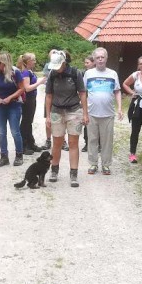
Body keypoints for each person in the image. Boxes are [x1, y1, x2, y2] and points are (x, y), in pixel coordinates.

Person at [45, 50, 88, 187]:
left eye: (58, 66)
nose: (56, 69)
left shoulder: (75, 73)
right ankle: (54, 171)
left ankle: (73, 174)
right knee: (57, 142)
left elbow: (82, 93)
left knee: (73, 143)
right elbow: (49, 96)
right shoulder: (52, 74)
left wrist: (85, 114)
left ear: (64, 63)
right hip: (56, 111)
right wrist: (47, 116)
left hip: (74, 111)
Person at [83, 47, 122, 175]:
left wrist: (120, 108)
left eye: (102, 57)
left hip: (108, 114)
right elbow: (83, 92)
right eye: (98, 57)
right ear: (94, 60)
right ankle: (93, 163)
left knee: (107, 141)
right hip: (92, 113)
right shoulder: (88, 74)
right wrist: (84, 111)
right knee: (92, 140)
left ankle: (106, 165)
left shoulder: (112, 74)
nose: (100, 60)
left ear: (106, 58)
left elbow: (117, 91)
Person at [0, 52, 25, 167]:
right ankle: (4, 156)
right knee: (1, 132)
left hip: (14, 105)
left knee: (15, 131)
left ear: (5, 63)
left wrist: (10, 98)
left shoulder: (15, 72)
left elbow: (22, 88)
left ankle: (19, 155)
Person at [17, 52, 47, 155]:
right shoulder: (26, 72)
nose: (35, 62)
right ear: (28, 61)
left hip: (31, 99)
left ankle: (31, 143)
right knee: (26, 122)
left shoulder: (29, 71)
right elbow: (27, 88)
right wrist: (39, 82)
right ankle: (24, 145)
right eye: (33, 60)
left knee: (28, 121)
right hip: (28, 100)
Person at [41, 49, 69, 152]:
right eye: (52, 54)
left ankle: (63, 140)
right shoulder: (48, 66)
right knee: (48, 118)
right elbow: (45, 78)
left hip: (60, 96)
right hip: (50, 94)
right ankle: (48, 140)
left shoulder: (66, 68)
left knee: (62, 118)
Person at [80, 55, 95, 152]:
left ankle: (98, 143)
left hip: (96, 101)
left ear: (93, 63)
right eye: (85, 63)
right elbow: (82, 89)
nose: (85, 64)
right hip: (87, 101)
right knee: (87, 122)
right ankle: (87, 143)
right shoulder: (84, 73)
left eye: (87, 62)